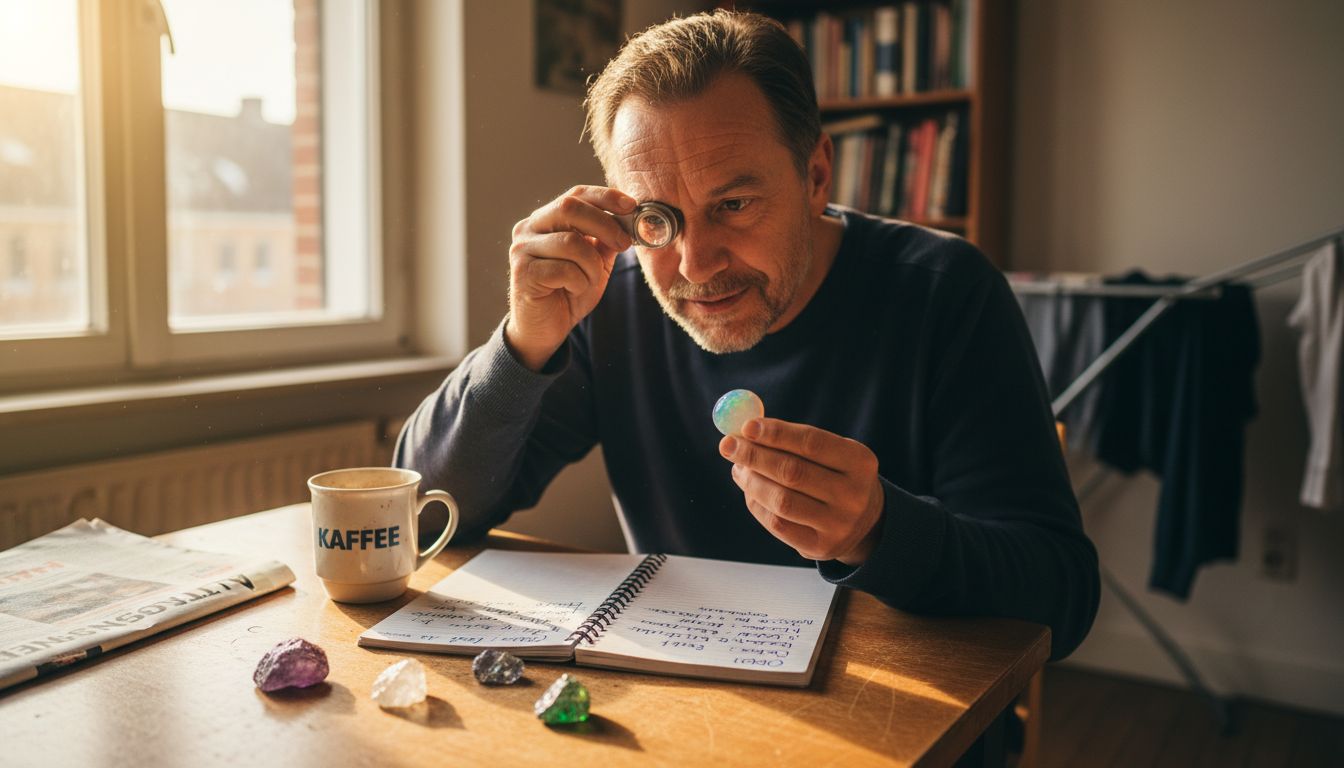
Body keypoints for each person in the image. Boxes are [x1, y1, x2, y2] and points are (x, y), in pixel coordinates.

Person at [395, 10, 1099, 662]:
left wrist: (881, 531)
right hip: (687, 711)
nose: (695, 266)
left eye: (733, 204)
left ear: (815, 174)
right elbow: (419, 516)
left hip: (903, 721)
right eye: (657, 222)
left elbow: (1061, 595)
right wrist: (522, 343)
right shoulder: (611, 304)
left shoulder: (946, 292)